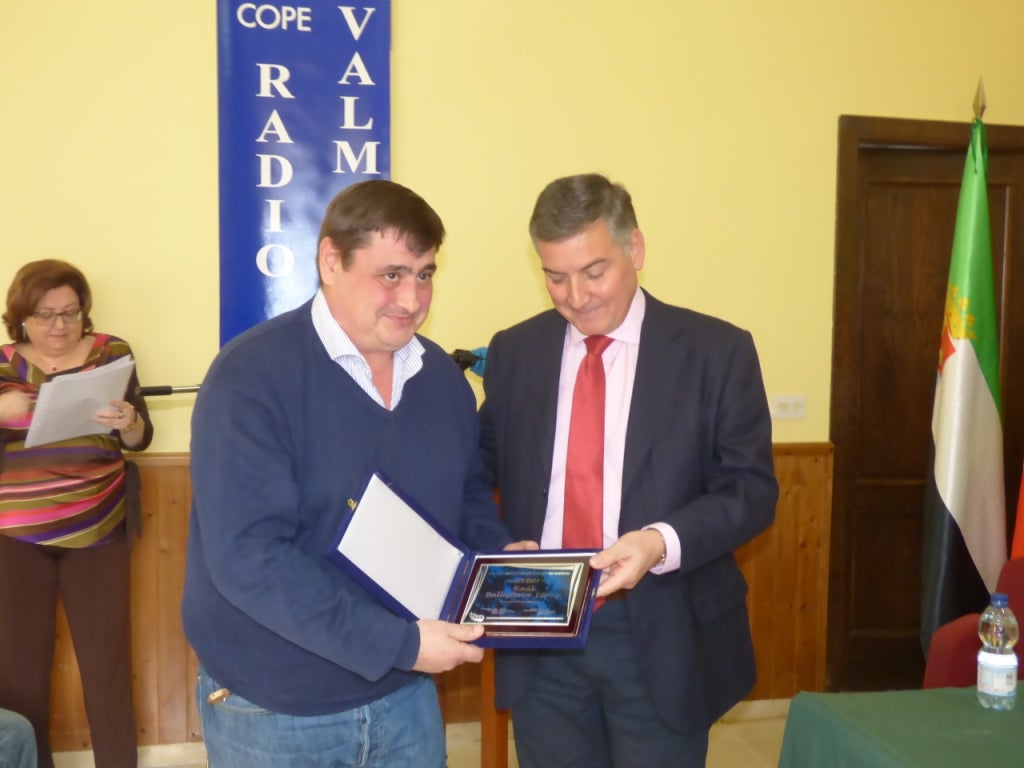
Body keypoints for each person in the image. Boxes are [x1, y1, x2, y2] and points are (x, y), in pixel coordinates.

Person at [182, 179, 531, 768]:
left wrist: (498, 561)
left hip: (406, 692)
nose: (412, 298)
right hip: (275, 706)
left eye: (425, 274)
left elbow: (467, 494)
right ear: (330, 262)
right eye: (391, 274)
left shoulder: (441, 380)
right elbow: (248, 559)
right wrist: (401, 644)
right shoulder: (250, 376)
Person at [478, 173, 779, 768]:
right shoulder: (516, 352)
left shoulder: (715, 352)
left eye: (594, 272)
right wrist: (494, 544)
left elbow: (750, 491)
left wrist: (659, 542)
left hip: (661, 627)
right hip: (540, 621)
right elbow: (477, 469)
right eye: (555, 277)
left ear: (635, 248)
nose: (575, 296)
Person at [0, 259, 153, 768]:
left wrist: (129, 422)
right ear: (21, 317)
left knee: (107, 664)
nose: (60, 325)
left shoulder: (113, 352)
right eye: (45, 315)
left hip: (98, 528)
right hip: (15, 535)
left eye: (70, 313)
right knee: (20, 673)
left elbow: (140, 438)